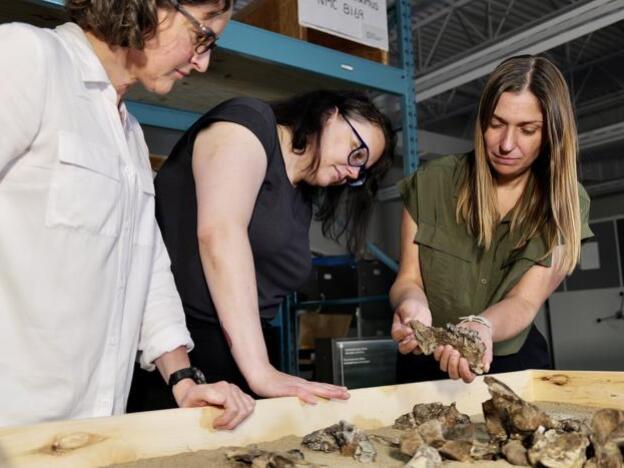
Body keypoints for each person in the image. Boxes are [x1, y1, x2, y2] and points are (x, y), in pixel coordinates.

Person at [0, 0, 255, 429]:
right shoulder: (27, 58)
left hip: (93, 425)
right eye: (203, 36)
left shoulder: (129, 134)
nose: (203, 62)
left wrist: (184, 380)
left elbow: (146, 267)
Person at [127, 90, 395, 410]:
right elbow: (221, 233)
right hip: (176, 350)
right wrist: (260, 370)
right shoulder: (248, 122)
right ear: (330, 114)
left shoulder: (301, 197)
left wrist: (259, 368)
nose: (354, 172)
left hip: (240, 357)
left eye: (362, 172)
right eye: (357, 153)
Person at [390, 55, 593, 384]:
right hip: (424, 363)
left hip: (512, 361)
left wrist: (480, 327)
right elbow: (408, 279)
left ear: (552, 134)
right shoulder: (432, 182)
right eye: (496, 124)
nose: (507, 144)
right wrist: (411, 304)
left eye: (527, 130)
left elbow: (524, 301)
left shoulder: (567, 202)